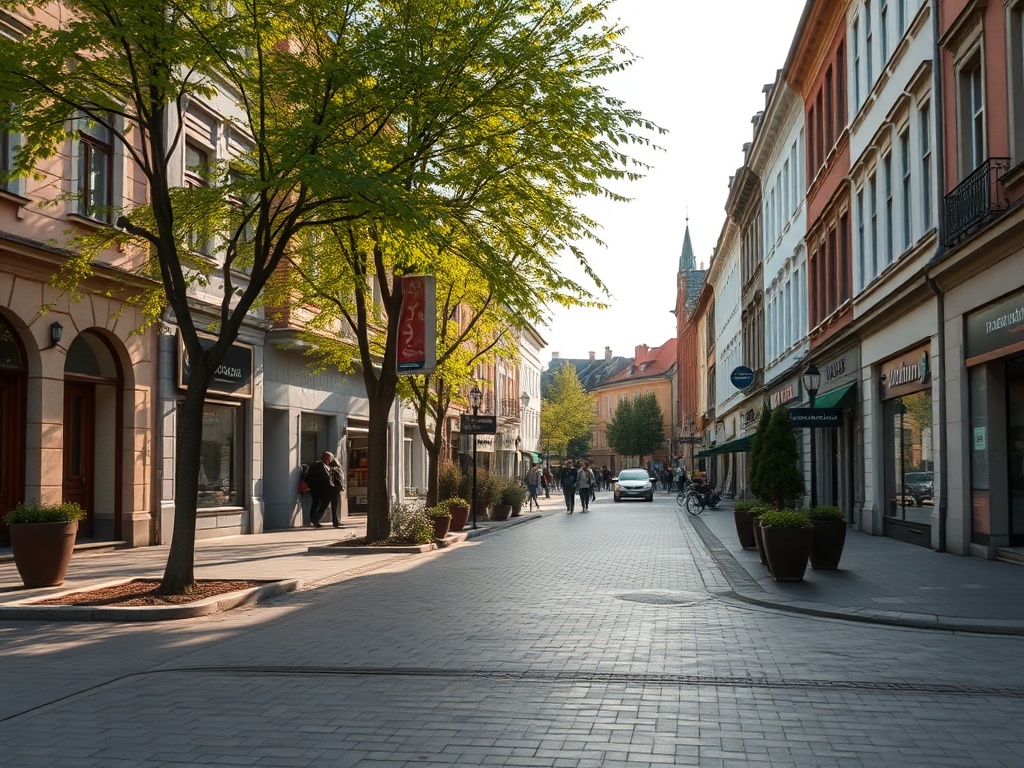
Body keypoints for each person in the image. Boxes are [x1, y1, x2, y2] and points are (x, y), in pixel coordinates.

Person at [305, 451, 335, 528]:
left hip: (319, 488)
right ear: (325, 458)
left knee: (317, 503)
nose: (330, 461)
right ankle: (315, 519)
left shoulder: (322, 466)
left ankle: (314, 519)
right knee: (323, 504)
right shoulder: (319, 466)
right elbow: (324, 478)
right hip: (319, 489)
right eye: (329, 459)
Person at [328, 456, 346, 528]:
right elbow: (339, 480)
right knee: (336, 505)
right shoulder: (336, 470)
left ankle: (336, 521)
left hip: (334, 488)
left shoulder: (331, 470)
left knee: (335, 506)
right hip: (336, 488)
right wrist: (342, 486)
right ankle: (336, 521)